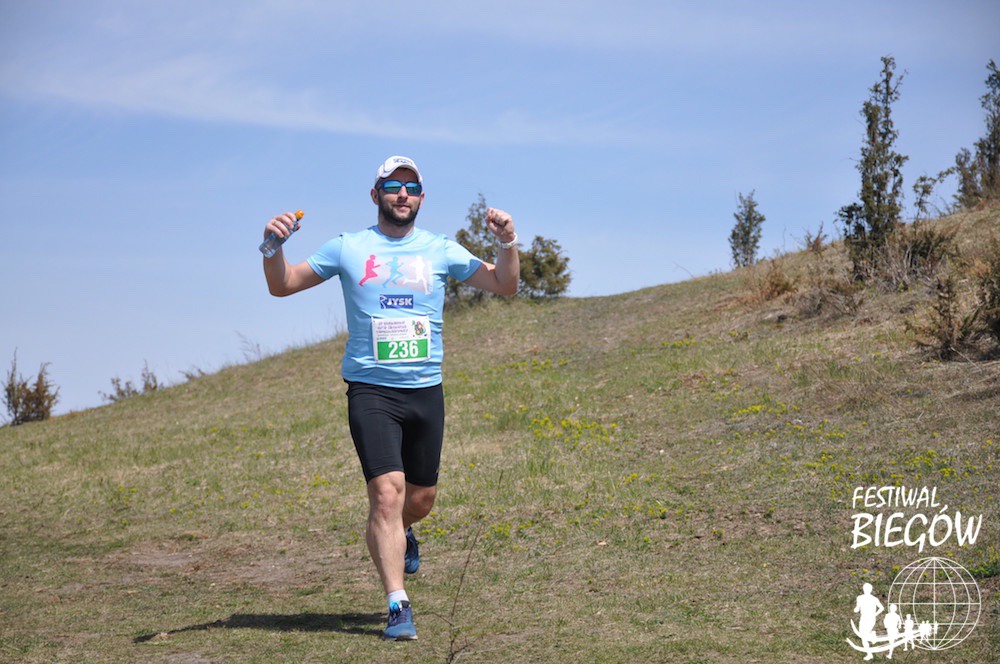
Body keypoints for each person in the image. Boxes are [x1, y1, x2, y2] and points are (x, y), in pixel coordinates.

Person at [261, 155, 519, 640]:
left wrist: (507, 242)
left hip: (425, 390)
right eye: (393, 185)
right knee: (385, 496)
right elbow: (283, 284)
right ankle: (398, 605)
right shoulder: (348, 247)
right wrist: (272, 247)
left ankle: (405, 531)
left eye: (412, 187)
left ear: (421, 197)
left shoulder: (440, 249)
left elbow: (505, 284)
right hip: (371, 390)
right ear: (375, 194)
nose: (403, 193)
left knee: (419, 500)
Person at [853, 583, 884, 661]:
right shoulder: (859, 598)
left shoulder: (874, 599)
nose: (866, 590)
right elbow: (857, 608)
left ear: (870, 590)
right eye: (865, 588)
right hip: (863, 618)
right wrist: (856, 609)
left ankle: (872, 635)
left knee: (864, 636)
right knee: (863, 636)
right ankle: (869, 653)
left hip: (870, 618)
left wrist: (875, 614)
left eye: (868, 589)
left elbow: (881, 608)